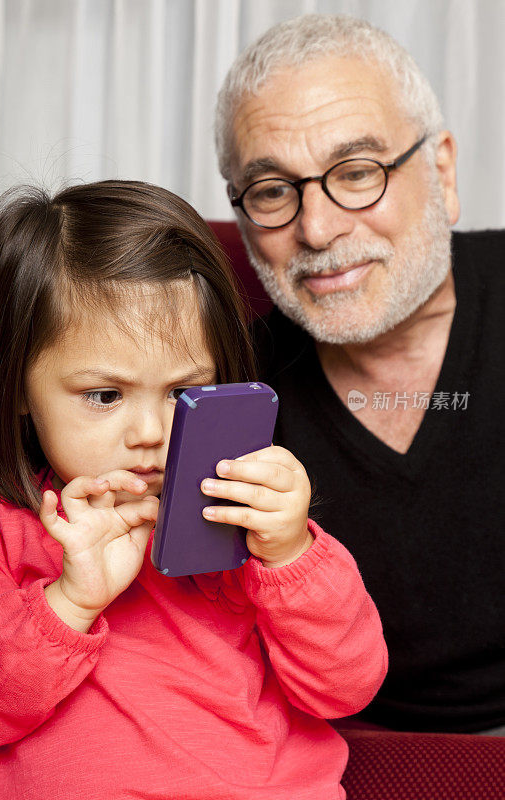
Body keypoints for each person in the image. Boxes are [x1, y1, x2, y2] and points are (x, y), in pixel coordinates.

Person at [0, 180, 386, 798]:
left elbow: (345, 688)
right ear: (20, 389)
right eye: (104, 396)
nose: (150, 433)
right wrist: (69, 603)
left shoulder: (240, 510)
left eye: (180, 393)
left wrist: (291, 554)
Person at [215, 14, 505, 735]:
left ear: (439, 171)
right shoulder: (226, 391)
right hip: (332, 751)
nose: (316, 229)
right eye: (273, 190)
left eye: (355, 173)